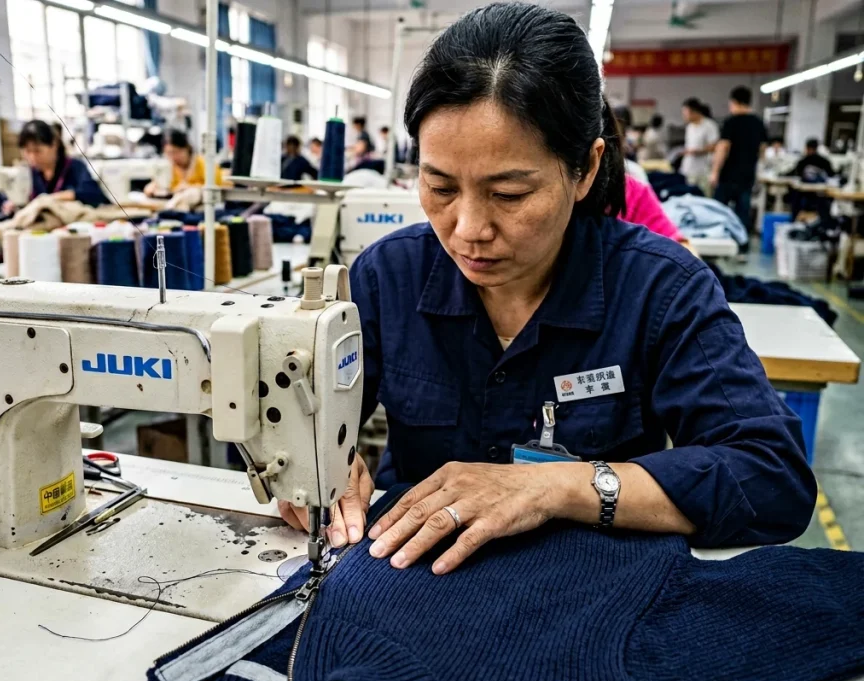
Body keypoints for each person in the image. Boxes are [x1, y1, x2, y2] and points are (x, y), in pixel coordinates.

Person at [276, 2, 814, 575]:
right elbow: (302, 417)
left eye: (508, 194)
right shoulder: (389, 276)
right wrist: (314, 468)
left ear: (585, 168)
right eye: (439, 187)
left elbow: (771, 477)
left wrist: (554, 488)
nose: (468, 230)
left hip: (589, 592)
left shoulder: (660, 288)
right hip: (407, 573)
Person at [6, 119, 108, 213]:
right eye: (27, 152)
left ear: (54, 145)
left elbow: (93, 194)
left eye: (37, 151)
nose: (32, 157)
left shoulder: (75, 167)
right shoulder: (29, 174)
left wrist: (53, 199)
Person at [711, 86, 768, 234]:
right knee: (743, 212)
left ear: (733, 102)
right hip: (747, 175)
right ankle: (741, 244)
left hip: (728, 175)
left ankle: (718, 239)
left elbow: (723, 148)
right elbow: (762, 150)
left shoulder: (731, 122)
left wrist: (715, 172)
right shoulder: (758, 123)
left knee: (718, 211)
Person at [144, 129, 222, 196]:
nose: (173, 157)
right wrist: (153, 188)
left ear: (187, 148)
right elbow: (163, 186)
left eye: (176, 152)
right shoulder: (169, 168)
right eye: (169, 153)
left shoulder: (204, 164)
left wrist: (191, 187)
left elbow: (217, 188)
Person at [680, 98, 719, 193]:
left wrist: (698, 151)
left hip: (704, 171)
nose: (684, 116)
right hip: (688, 169)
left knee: (704, 197)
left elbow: (715, 146)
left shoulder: (709, 125)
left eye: (686, 113)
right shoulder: (689, 127)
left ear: (694, 112)